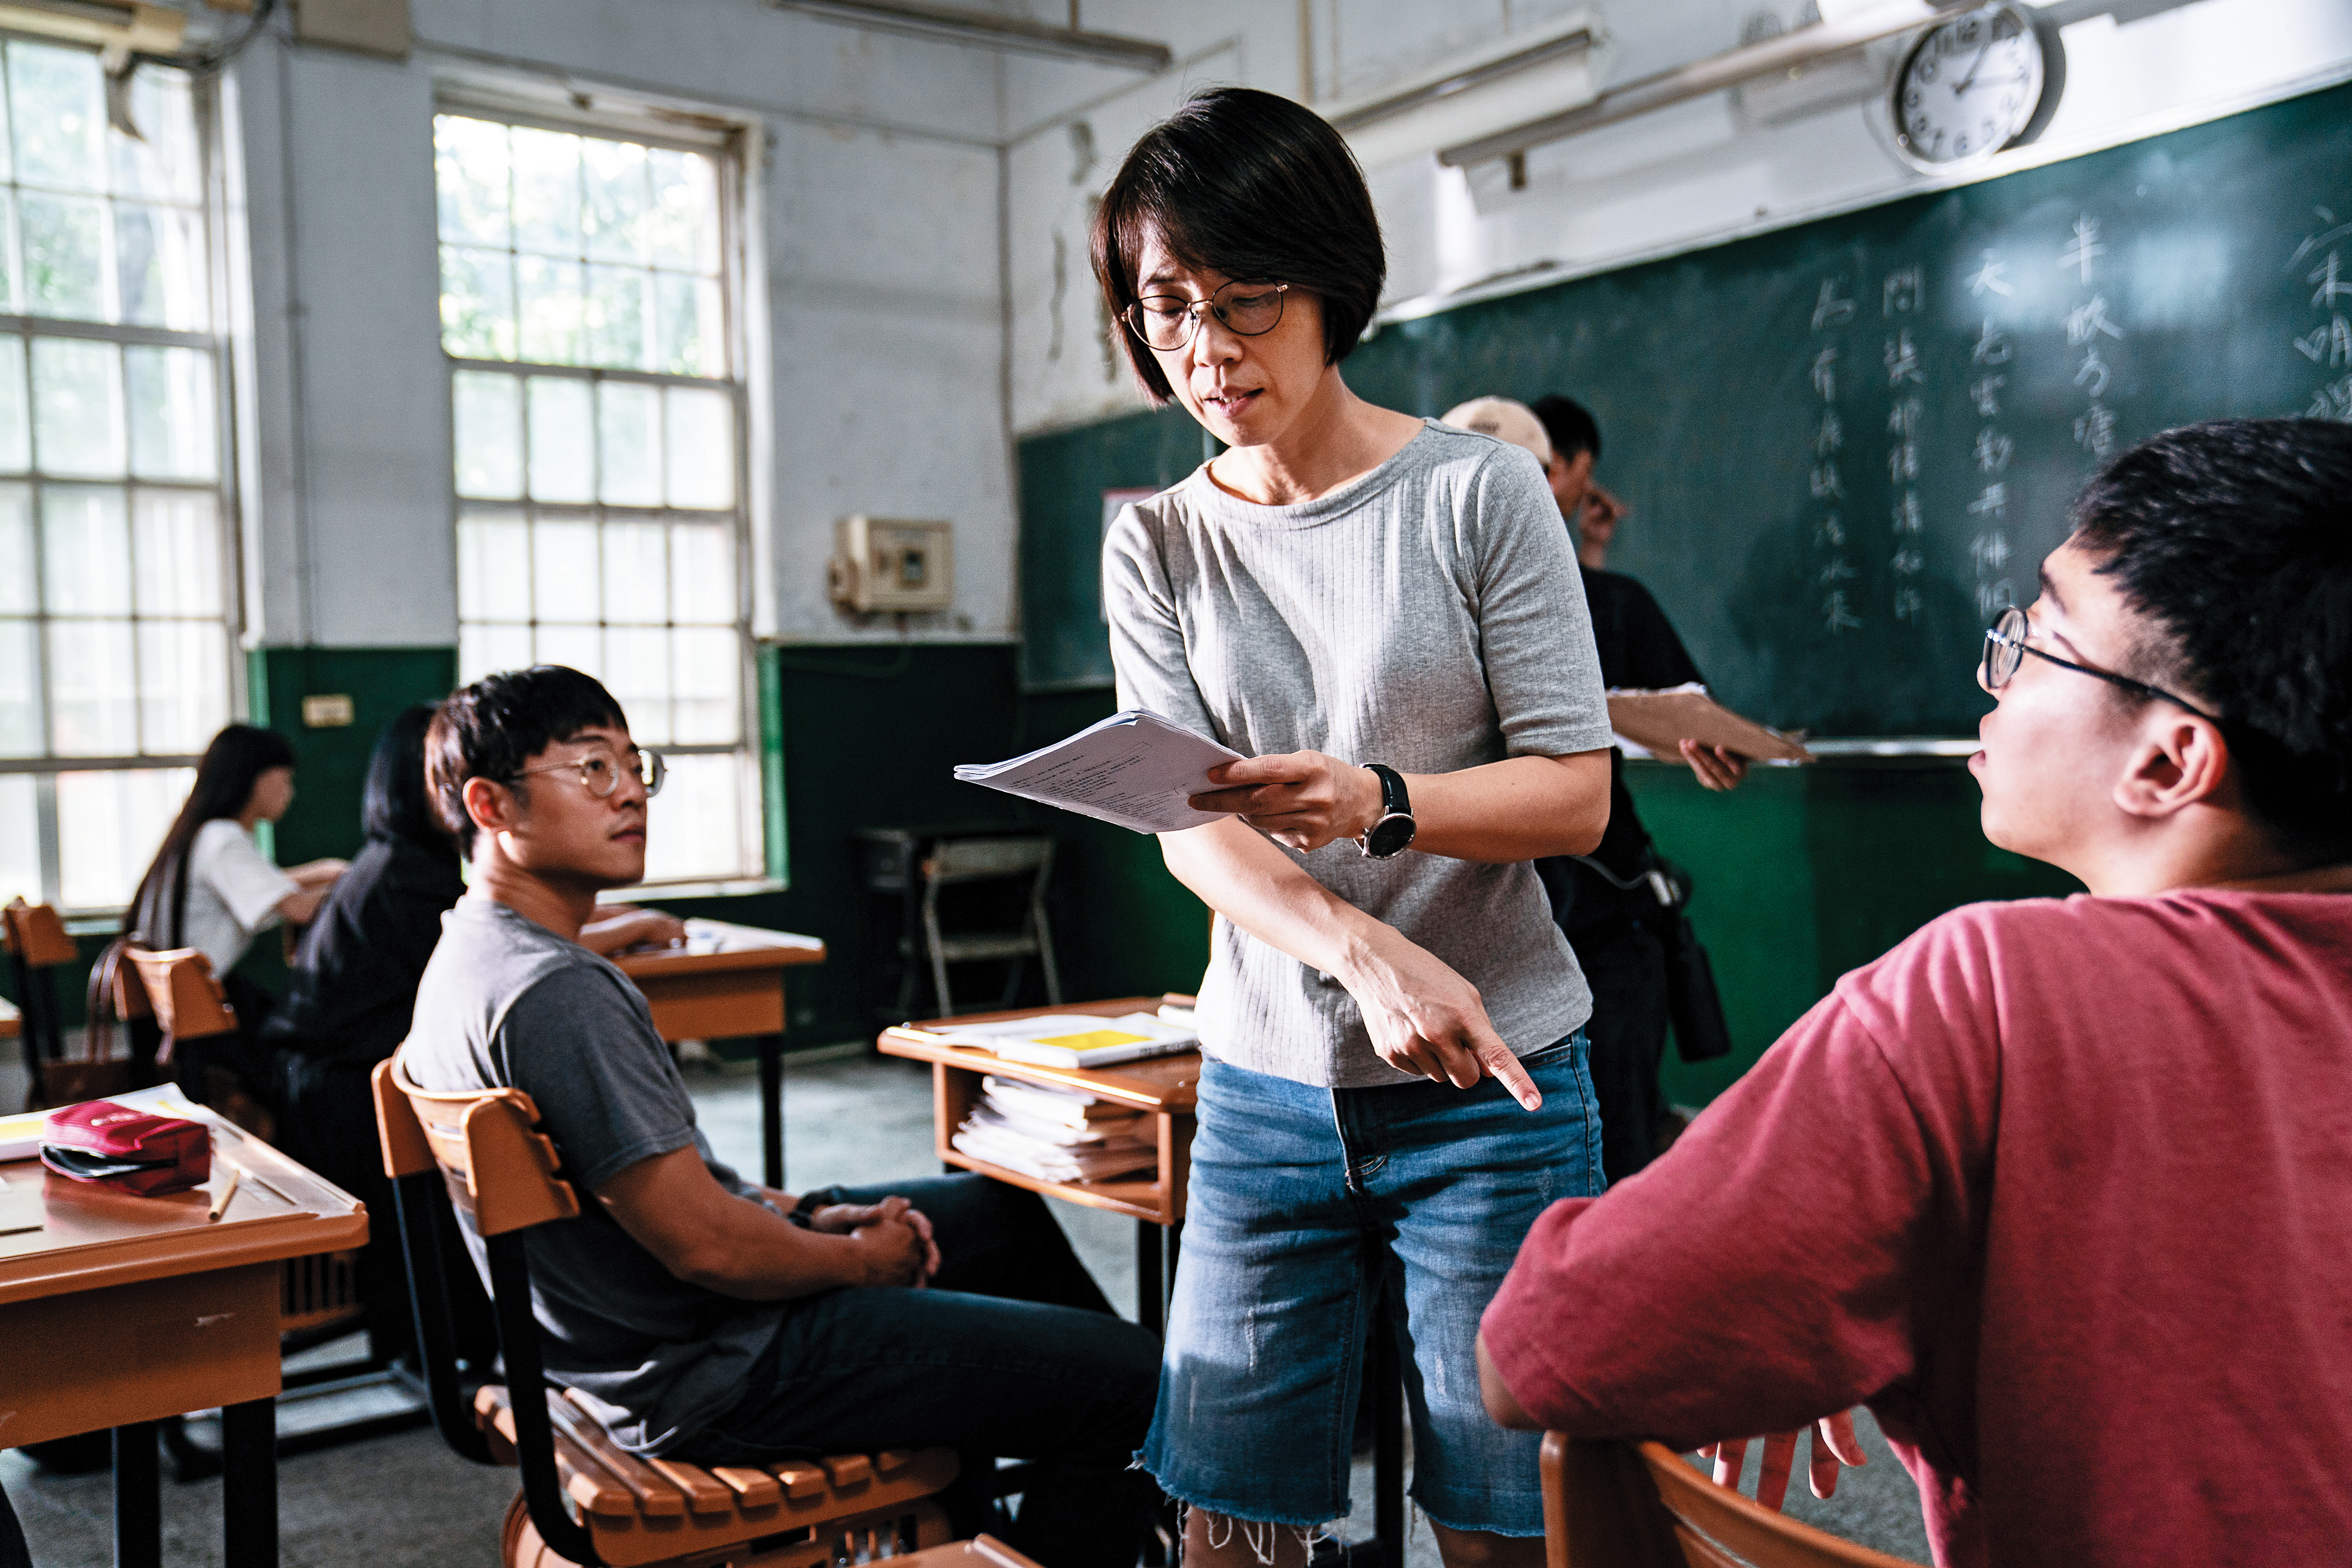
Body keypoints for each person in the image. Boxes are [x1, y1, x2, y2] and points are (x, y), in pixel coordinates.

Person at [1477, 419, 2352, 1568]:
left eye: (2035, 642)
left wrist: (1816, 1301)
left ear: (2167, 760)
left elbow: (1538, 1344)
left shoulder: (1990, 992)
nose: (1989, 670)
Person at [1093, 89, 1615, 1566]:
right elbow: (1188, 829)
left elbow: (1575, 791)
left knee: (1512, 1516)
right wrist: (1361, 951)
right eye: (1165, 307)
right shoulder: (1158, 536)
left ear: (1329, 283)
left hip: (1491, 1079)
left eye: (1241, 299)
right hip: (1264, 1082)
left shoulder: (1476, 490)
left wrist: (1385, 802)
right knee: (1225, 1522)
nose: (1204, 347)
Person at [403, 665, 1159, 1564]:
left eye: (635, 764)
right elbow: (707, 1247)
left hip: (628, 1341)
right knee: (1136, 1380)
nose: (631, 791)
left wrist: (805, 1215)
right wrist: (855, 1259)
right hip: (710, 1372)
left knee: (997, 1215)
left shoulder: (470, 953)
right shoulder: (556, 992)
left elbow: (685, 1205)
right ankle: (1087, 1498)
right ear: (492, 806)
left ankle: (1018, 1493)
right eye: (592, 768)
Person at [1449, 394, 1748, 1183]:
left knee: (1573, 1154)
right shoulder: (1596, 597)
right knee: (1575, 1155)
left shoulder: (1605, 601)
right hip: (1516, 924)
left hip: (1579, 916)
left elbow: (1698, 722)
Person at [125, 722, 345, 1123]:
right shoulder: (224, 838)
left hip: (181, 1026)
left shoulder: (198, 834)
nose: (290, 791)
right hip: (214, 1027)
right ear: (257, 779)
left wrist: (325, 871)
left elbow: (260, 884)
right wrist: (357, 887)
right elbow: (297, 909)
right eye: (286, 779)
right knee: (321, 1054)